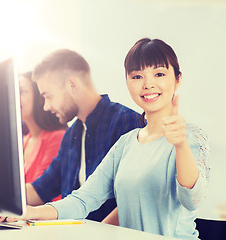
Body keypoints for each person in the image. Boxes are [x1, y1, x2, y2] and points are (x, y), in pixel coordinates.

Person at [18, 38, 211, 239]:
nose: (148, 84)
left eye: (159, 74)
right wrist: (31, 212)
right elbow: (83, 199)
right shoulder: (125, 143)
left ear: (178, 79)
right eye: (137, 76)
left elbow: (192, 199)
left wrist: (180, 146)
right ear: (127, 82)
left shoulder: (191, 137)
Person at [21, 49, 142, 222]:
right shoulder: (72, 135)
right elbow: (41, 189)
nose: (46, 106)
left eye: (48, 96)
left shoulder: (126, 122)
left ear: (72, 85)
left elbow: (133, 202)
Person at [19, 71, 67, 184]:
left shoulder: (57, 138)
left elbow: (42, 190)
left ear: (39, 97)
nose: (14, 98)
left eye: (21, 91)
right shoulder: (25, 141)